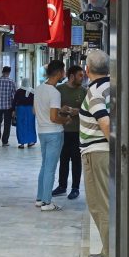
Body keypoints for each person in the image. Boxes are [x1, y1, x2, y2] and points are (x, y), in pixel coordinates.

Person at [80, 48, 111, 257]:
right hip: (105, 152)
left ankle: (110, 251)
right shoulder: (114, 86)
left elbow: (105, 122)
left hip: (98, 153)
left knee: (100, 203)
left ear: (87, 69)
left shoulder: (95, 91)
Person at [33, 59, 71, 211]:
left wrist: (59, 109)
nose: (64, 74)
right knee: (50, 168)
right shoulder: (55, 92)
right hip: (54, 133)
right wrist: (65, 119)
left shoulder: (39, 89)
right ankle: (47, 203)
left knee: (44, 166)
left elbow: (35, 111)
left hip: (42, 132)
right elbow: (54, 118)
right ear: (59, 72)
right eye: (63, 71)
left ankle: (40, 198)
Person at [52, 64, 85, 200]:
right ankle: (62, 186)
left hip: (78, 132)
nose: (82, 78)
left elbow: (90, 111)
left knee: (76, 160)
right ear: (71, 76)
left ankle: (75, 188)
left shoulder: (84, 92)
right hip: (62, 131)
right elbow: (52, 109)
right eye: (80, 75)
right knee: (63, 159)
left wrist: (80, 111)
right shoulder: (59, 90)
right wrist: (61, 109)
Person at [13, 78, 36, 149]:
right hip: (30, 110)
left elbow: (14, 101)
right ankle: (30, 142)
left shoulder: (19, 91)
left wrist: (13, 111)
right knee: (30, 125)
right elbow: (36, 101)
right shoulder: (32, 91)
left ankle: (22, 143)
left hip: (20, 109)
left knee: (20, 125)